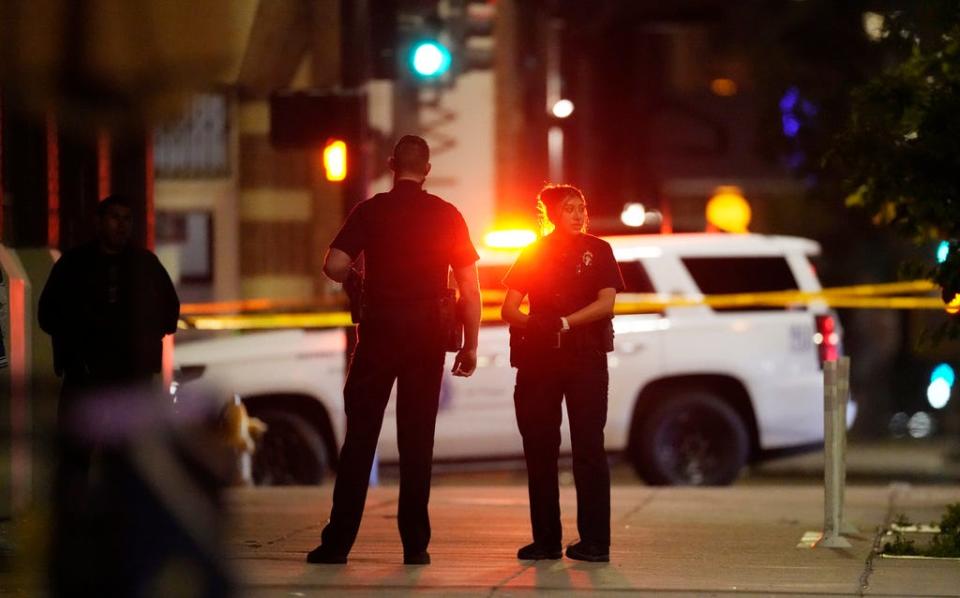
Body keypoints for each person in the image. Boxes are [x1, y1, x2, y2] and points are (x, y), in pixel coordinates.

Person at [307, 135, 481, 566]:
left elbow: (334, 265)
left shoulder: (371, 211)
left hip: (380, 334)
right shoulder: (447, 215)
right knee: (417, 442)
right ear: (426, 170)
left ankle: (337, 545)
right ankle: (415, 546)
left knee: (360, 438)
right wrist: (471, 345)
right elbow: (470, 289)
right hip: (426, 338)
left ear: (390, 165)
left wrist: (359, 283)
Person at [38, 193, 181, 594]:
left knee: (132, 459)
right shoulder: (75, 265)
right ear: (99, 220)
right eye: (114, 218)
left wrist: (144, 336)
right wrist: (77, 346)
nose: (121, 225)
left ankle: (125, 531)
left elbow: (170, 311)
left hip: (130, 379)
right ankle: (71, 532)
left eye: (127, 219)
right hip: (86, 376)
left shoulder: (143, 265)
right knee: (76, 459)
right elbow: (48, 314)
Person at [501, 184, 624, 563]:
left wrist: (565, 324)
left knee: (588, 448)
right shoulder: (533, 252)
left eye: (581, 207)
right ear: (551, 214)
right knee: (540, 449)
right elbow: (509, 308)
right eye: (568, 208)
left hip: (585, 358)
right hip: (539, 361)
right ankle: (546, 541)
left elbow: (606, 303)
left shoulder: (598, 250)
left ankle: (595, 543)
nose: (577, 214)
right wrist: (534, 325)